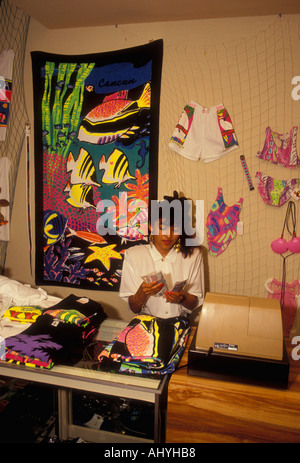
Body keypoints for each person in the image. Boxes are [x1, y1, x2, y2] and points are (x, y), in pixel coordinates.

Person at [119, 191, 204, 318]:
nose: (168, 235)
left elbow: (194, 303)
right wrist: (143, 292)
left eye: (175, 228)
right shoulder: (133, 255)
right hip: (146, 324)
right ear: (150, 226)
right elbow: (134, 308)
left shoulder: (194, 255)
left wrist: (182, 298)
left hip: (179, 324)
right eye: (162, 227)